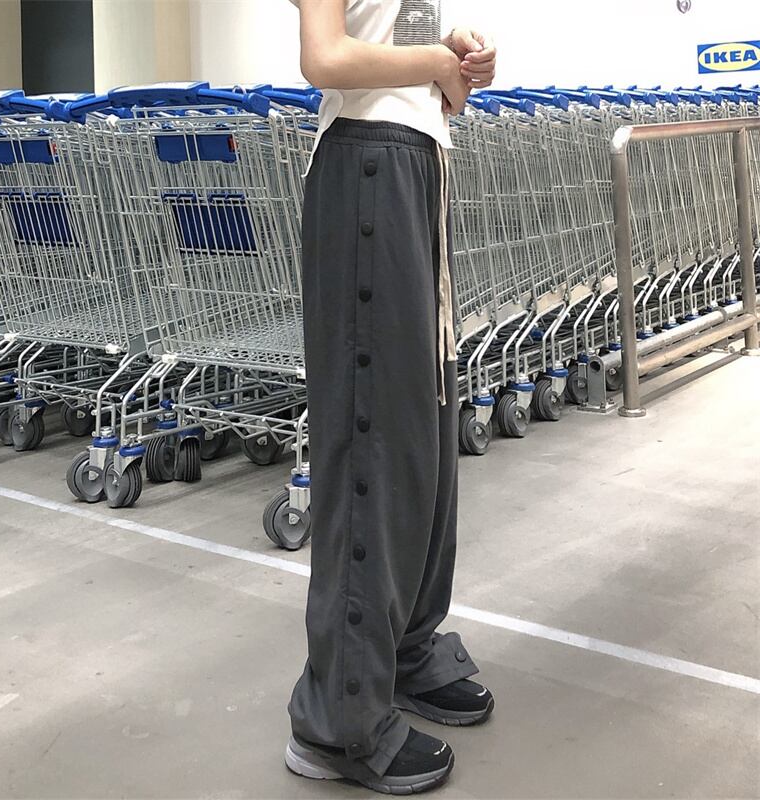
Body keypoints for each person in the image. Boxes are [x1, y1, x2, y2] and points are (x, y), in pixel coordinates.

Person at [285, 0, 497, 793]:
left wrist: (456, 57)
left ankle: (403, 649)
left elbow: (399, 52)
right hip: (366, 165)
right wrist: (437, 64)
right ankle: (339, 720)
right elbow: (327, 58)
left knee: (421, 429)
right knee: (372, 437)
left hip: (414, 159)